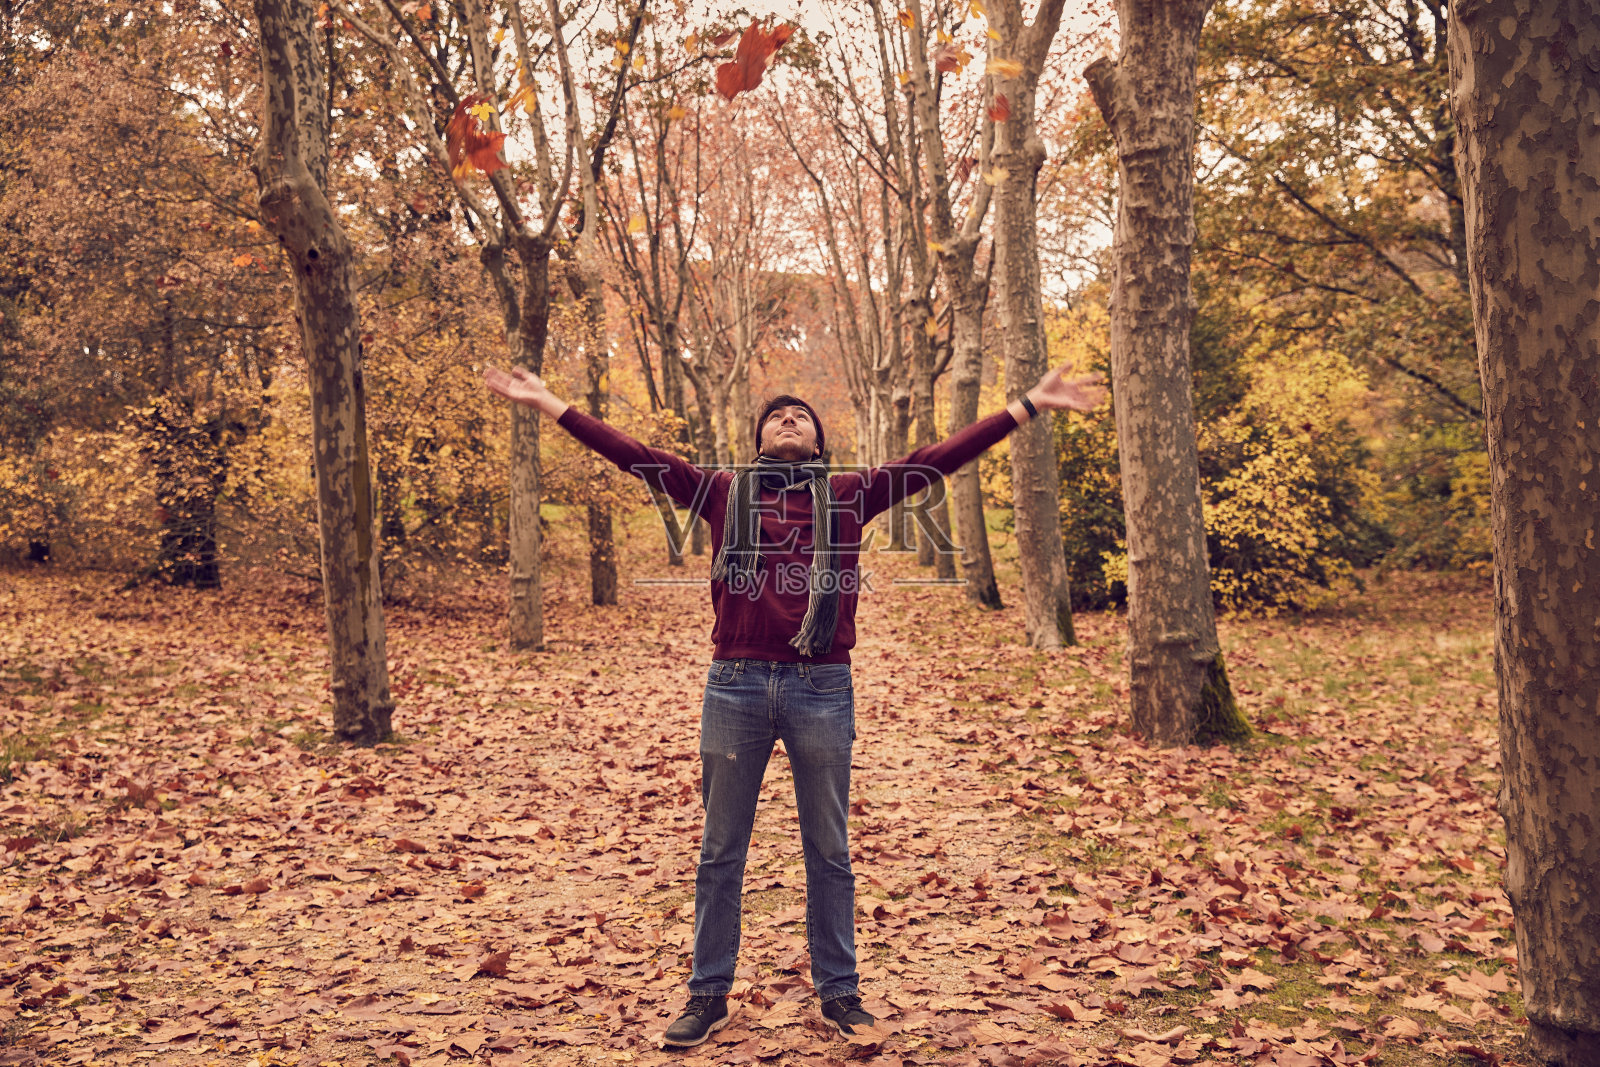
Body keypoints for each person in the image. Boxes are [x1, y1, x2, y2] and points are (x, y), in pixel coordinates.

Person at [482, 365, 1105, 1046]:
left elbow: (936, 459)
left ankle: (840, 992)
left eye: (800, 414)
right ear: (757, 438)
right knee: (721, 850)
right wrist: (549, 404)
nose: (787, 417)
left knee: (829, 849)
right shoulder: (719, 492)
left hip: (822, 686)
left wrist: (1026, 406)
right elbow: (635, 454)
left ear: (817, 442)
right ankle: (707, 994)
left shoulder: (849, 493)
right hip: (736, 685)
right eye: (776, 413)